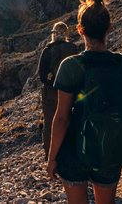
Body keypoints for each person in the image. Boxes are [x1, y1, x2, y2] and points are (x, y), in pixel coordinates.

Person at [47, 0, 122, 204]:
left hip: (73, 152)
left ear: (80, 30)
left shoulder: (71, 66)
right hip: (110, 149)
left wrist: (52, 158)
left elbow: (62, 117)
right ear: (109, 28)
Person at [38, 21, 78, 158]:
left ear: (53, 34)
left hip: (51, 92)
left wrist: (50, 79)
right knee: (69, 119)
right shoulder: (73, 48)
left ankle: (50, 155)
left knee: (50, 122)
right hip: (71, 92)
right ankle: (70, 152)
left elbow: (41, 75)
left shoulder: (48, 50)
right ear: (66, 34)